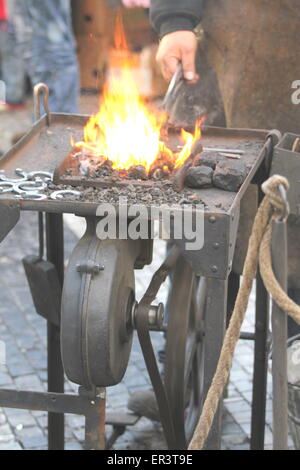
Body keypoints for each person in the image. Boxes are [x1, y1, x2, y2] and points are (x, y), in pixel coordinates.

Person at [10, 0, 79, 113]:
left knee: (47, 90)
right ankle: (52, 127)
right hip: (49, 48)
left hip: (40, 45)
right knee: (55, 85)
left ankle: (48, 126)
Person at [0, 0, 26, 110]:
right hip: (6, 16)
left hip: (6, 17)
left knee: (10, 57)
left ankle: (13, 99)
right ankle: (10, 97)